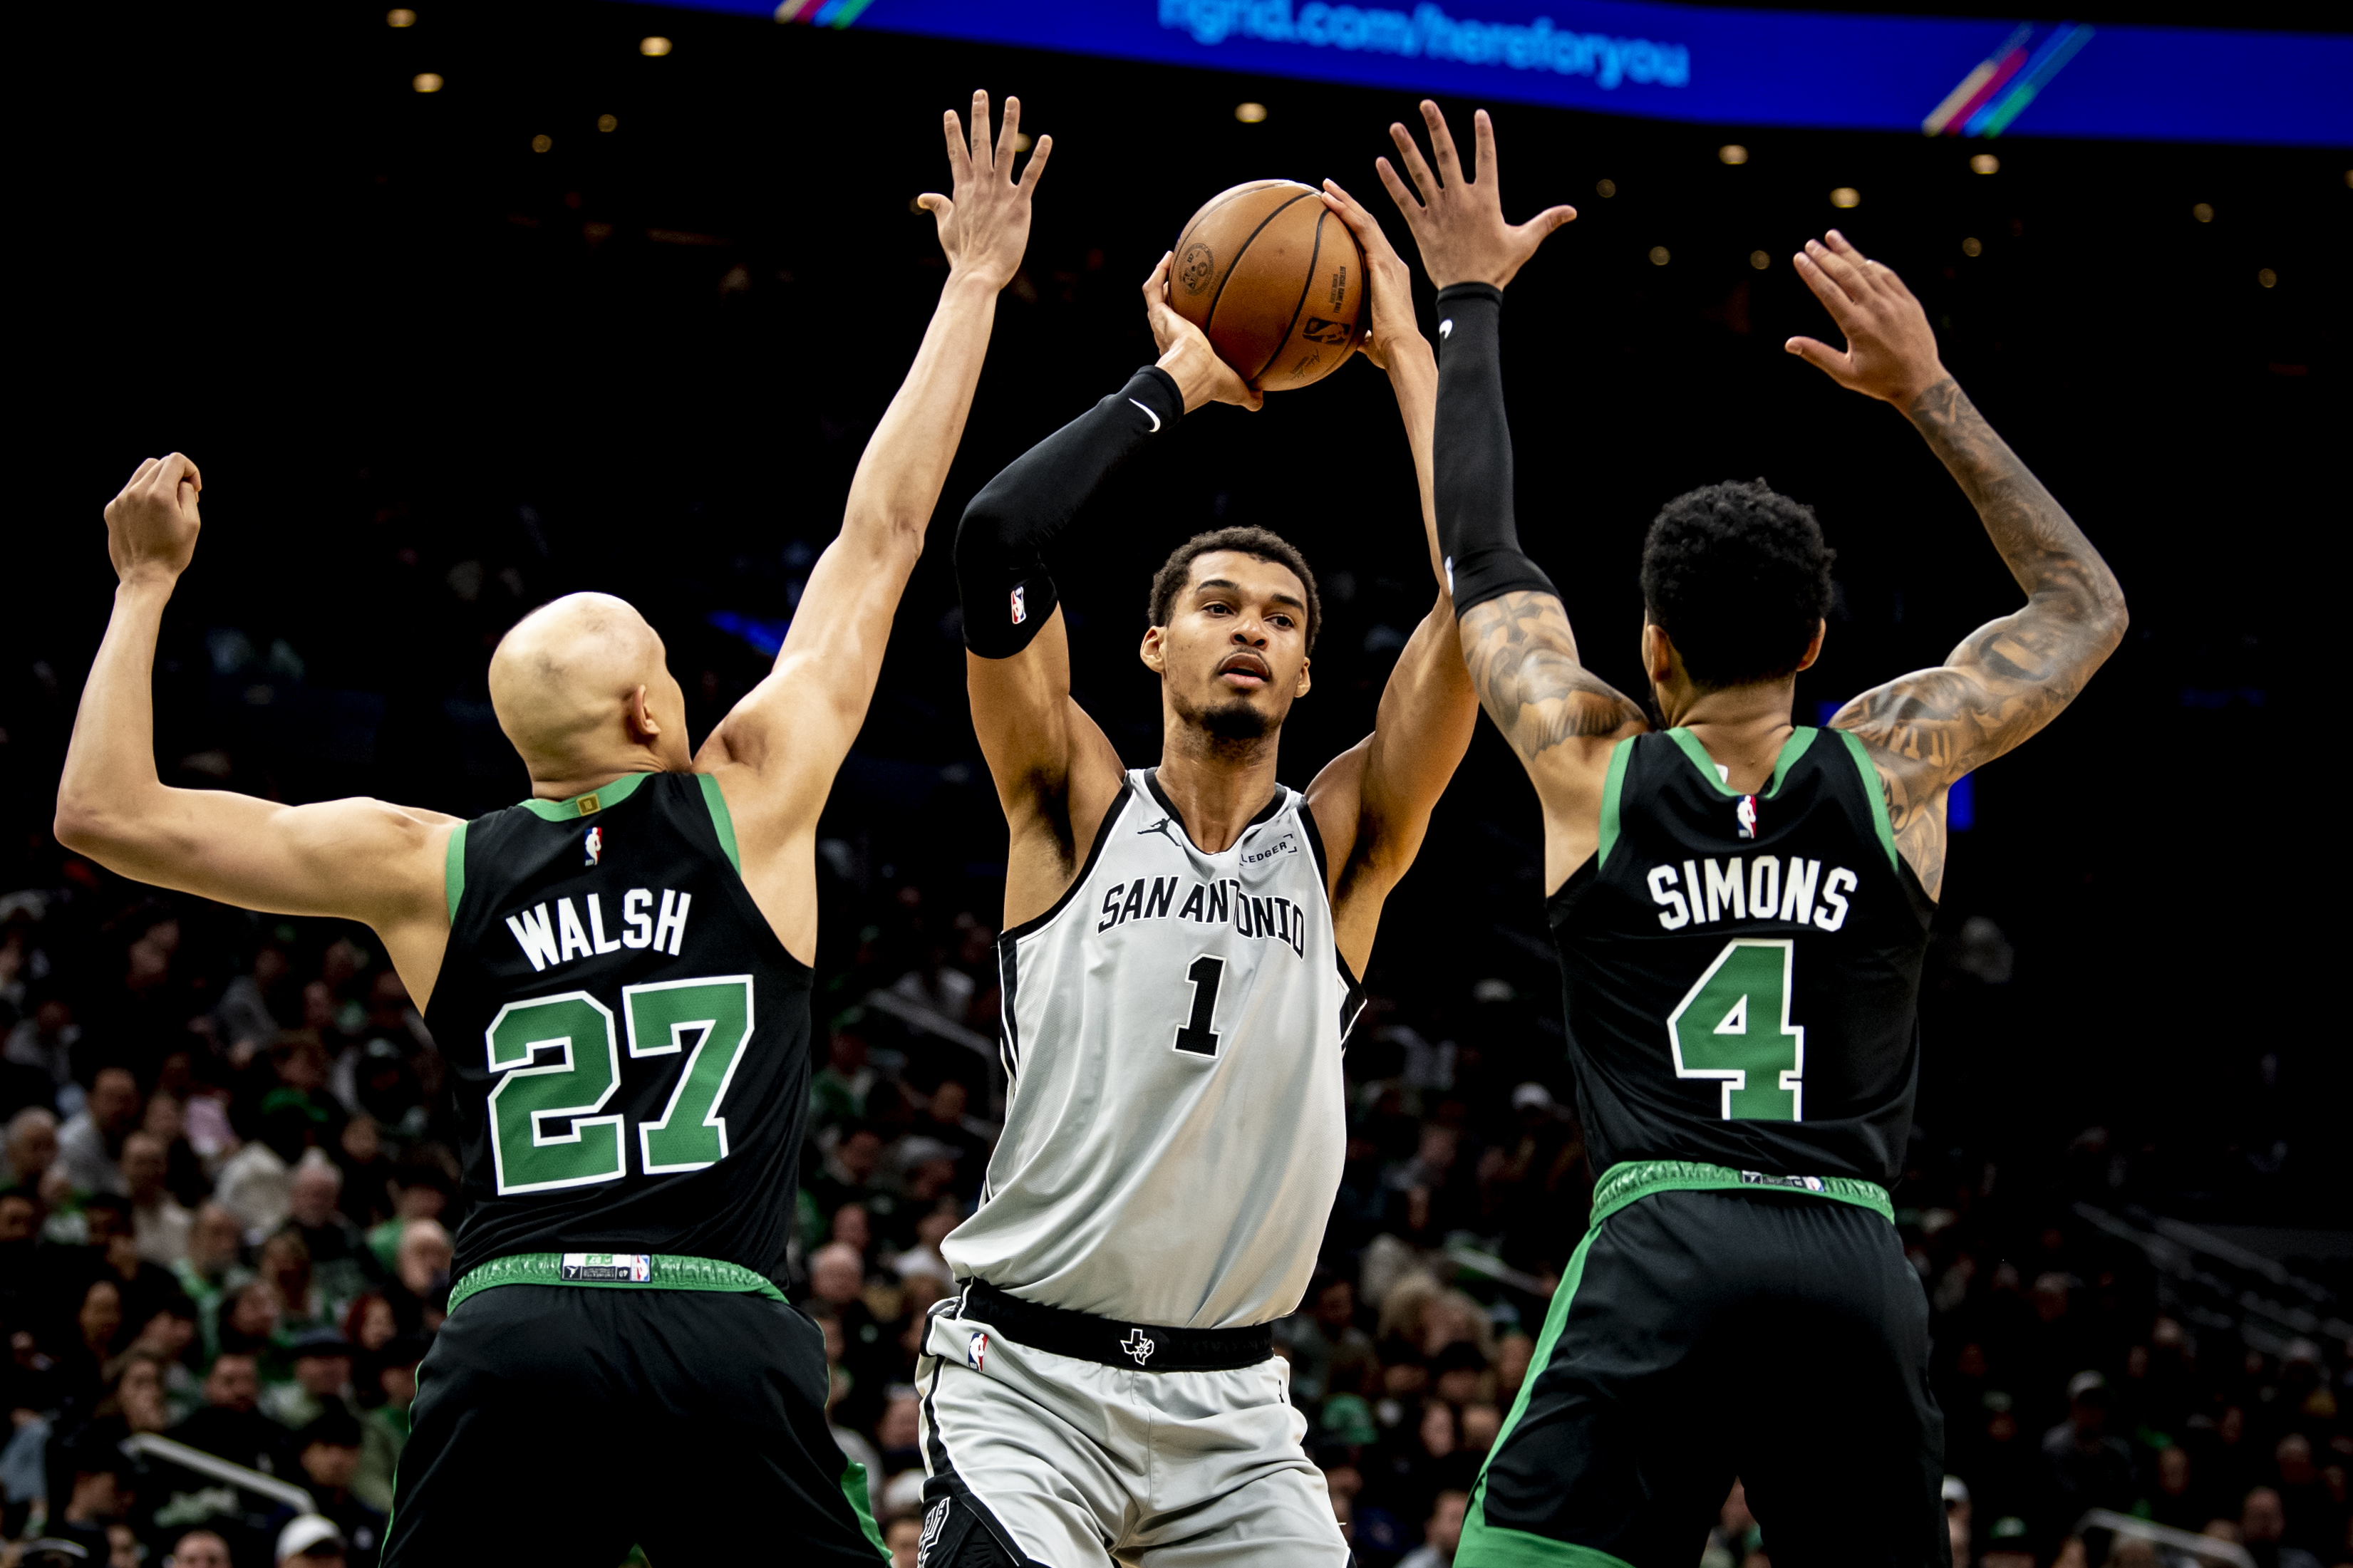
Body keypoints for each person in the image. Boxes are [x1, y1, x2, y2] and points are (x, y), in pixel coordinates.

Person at [51, 90, 1052, 1565]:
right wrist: (973, 281)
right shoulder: (747, 800)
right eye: (669, 668)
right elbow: (881, 534)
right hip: (719, 1329)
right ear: (654, 725)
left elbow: (103, 814)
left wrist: (141, 589)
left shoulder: (428, 866)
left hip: (513, 1326)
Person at [1375, 100, 2127, 1567]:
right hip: (1851, 1251)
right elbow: (2081, 609)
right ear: (1819, 641)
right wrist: (1927, 394)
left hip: (1665, 1240)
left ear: (1648, 650)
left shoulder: (1591, 759)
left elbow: (1481, 559)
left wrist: (1466, 300)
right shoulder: (1891, 768)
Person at [916, 172, 1479, 1567]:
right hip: (1025, 1394)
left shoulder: (1345, 838)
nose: (1249, 631)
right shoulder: (1068, 800)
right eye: (1215, 605)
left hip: (1233, 1410)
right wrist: (1172, 382)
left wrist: (1414, 348)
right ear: (1153, 647)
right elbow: (997, 541)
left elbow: (1489, 599)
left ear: (1306, 668)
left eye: (1281, 618)